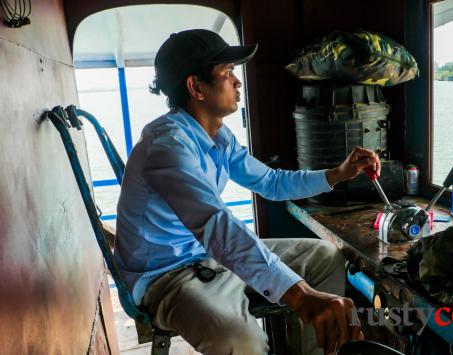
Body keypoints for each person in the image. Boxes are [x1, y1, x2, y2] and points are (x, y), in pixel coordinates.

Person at [114, 29, 381, 355]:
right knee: (242, 342)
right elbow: (215, 223)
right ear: (196, 87)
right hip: (166, 277)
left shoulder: (219, 137)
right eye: (226, 73)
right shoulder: (166, 145)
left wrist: (339, 174)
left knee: (325, 257)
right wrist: (299, 294)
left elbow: (271, 182)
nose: (237, 82)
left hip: (206, 257)